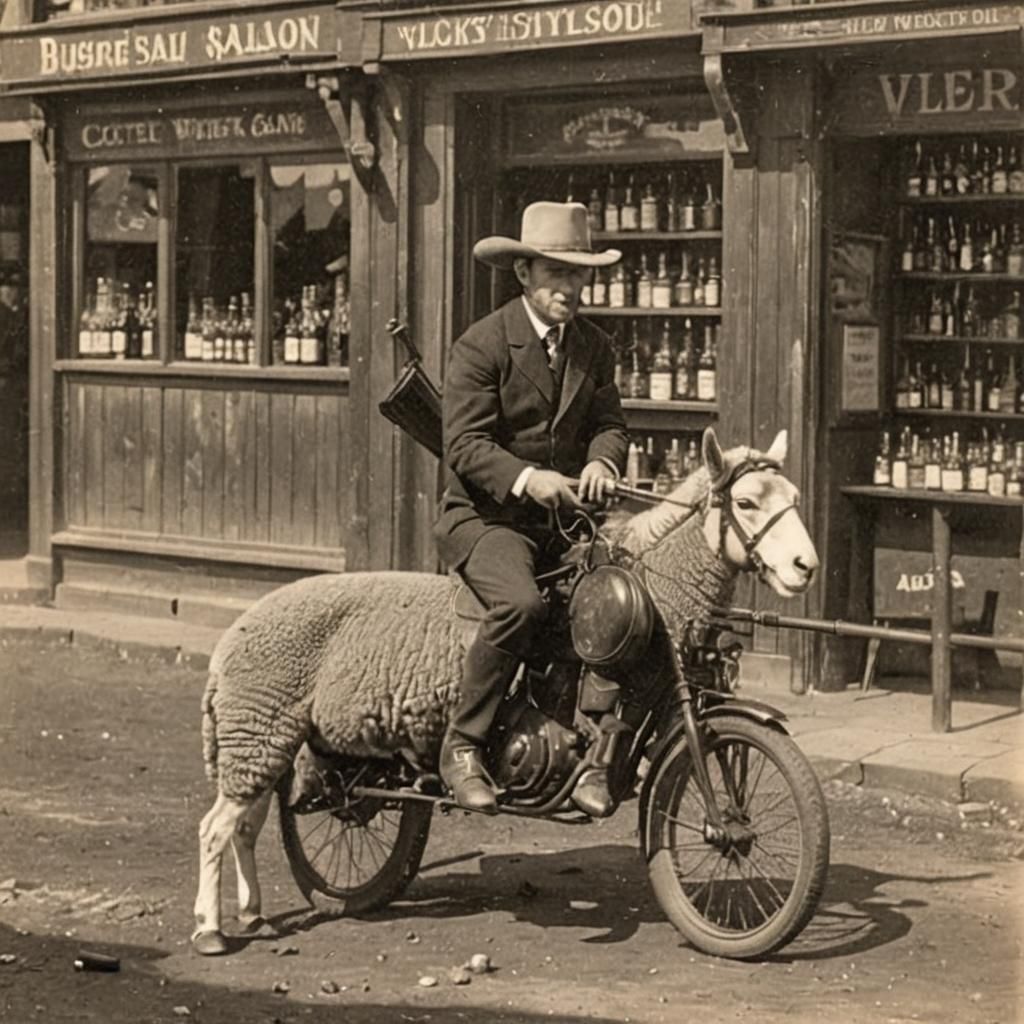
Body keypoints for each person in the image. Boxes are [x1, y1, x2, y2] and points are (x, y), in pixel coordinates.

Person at [434, 201, 630, 814]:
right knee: (521, 604)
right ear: (523, 273)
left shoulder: (594, 347)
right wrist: (527, 479)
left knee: (624, 606)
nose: (569, 289)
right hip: (487, 520)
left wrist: (603, 461)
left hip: (563, 523)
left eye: (578, 276)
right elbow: (464, 446)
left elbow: (610, 422)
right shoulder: (482, 345)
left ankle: (595, 756)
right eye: (556, 274)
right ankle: (463, 745)